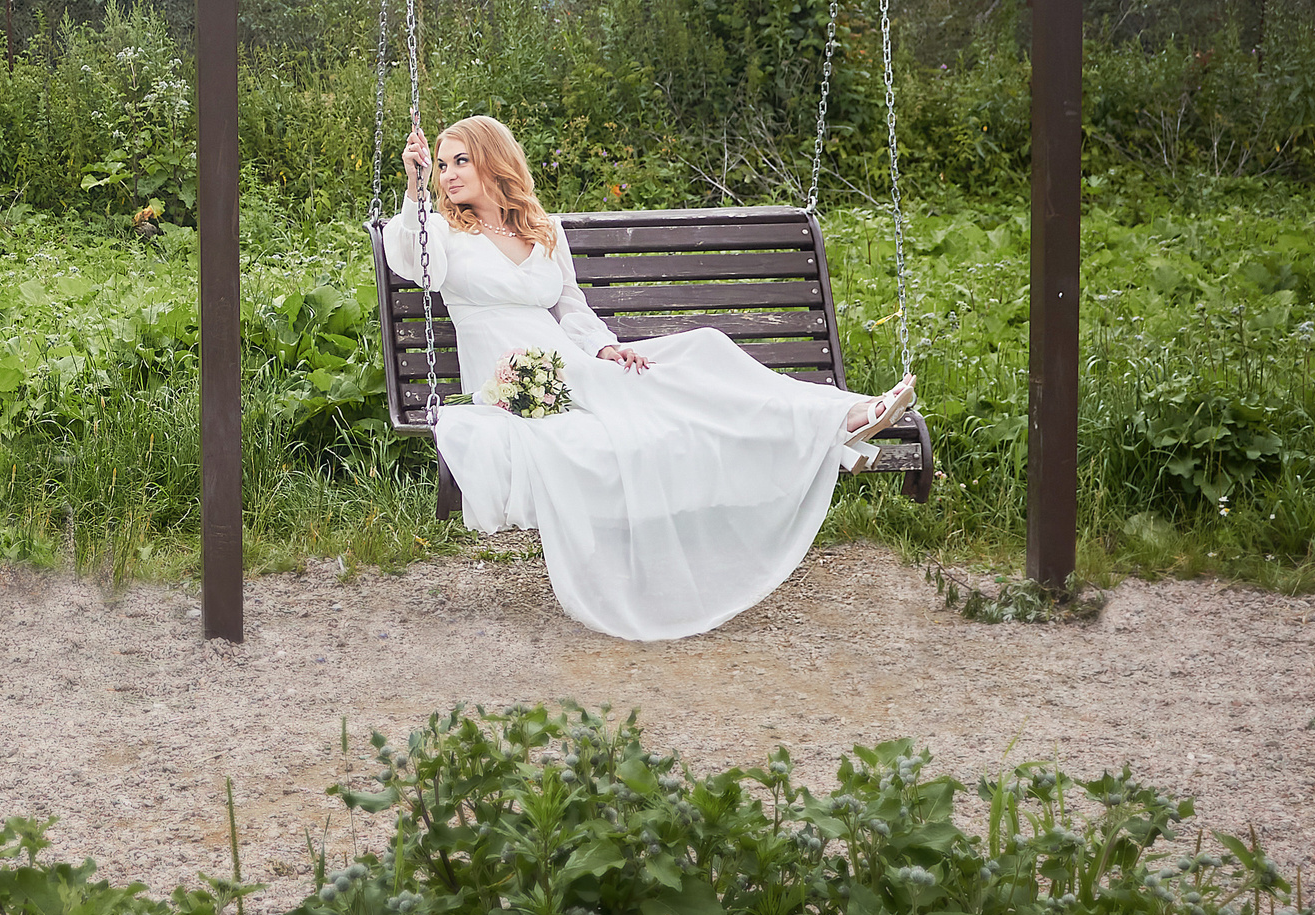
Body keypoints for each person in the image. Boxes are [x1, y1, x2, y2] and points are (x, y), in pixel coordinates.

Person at [384, 116, 916, 642]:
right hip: (515, 379)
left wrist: (605, 345)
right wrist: (413, 185)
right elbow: (411, 262)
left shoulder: (540, 229)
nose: (449, 174)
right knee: (663, 405)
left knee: (700, 352)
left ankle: (835, 418)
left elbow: (569, 304)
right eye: (443, 164)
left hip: (572, 359)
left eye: (461, 160)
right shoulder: (442, 232)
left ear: (493, 161)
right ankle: (835, 430)